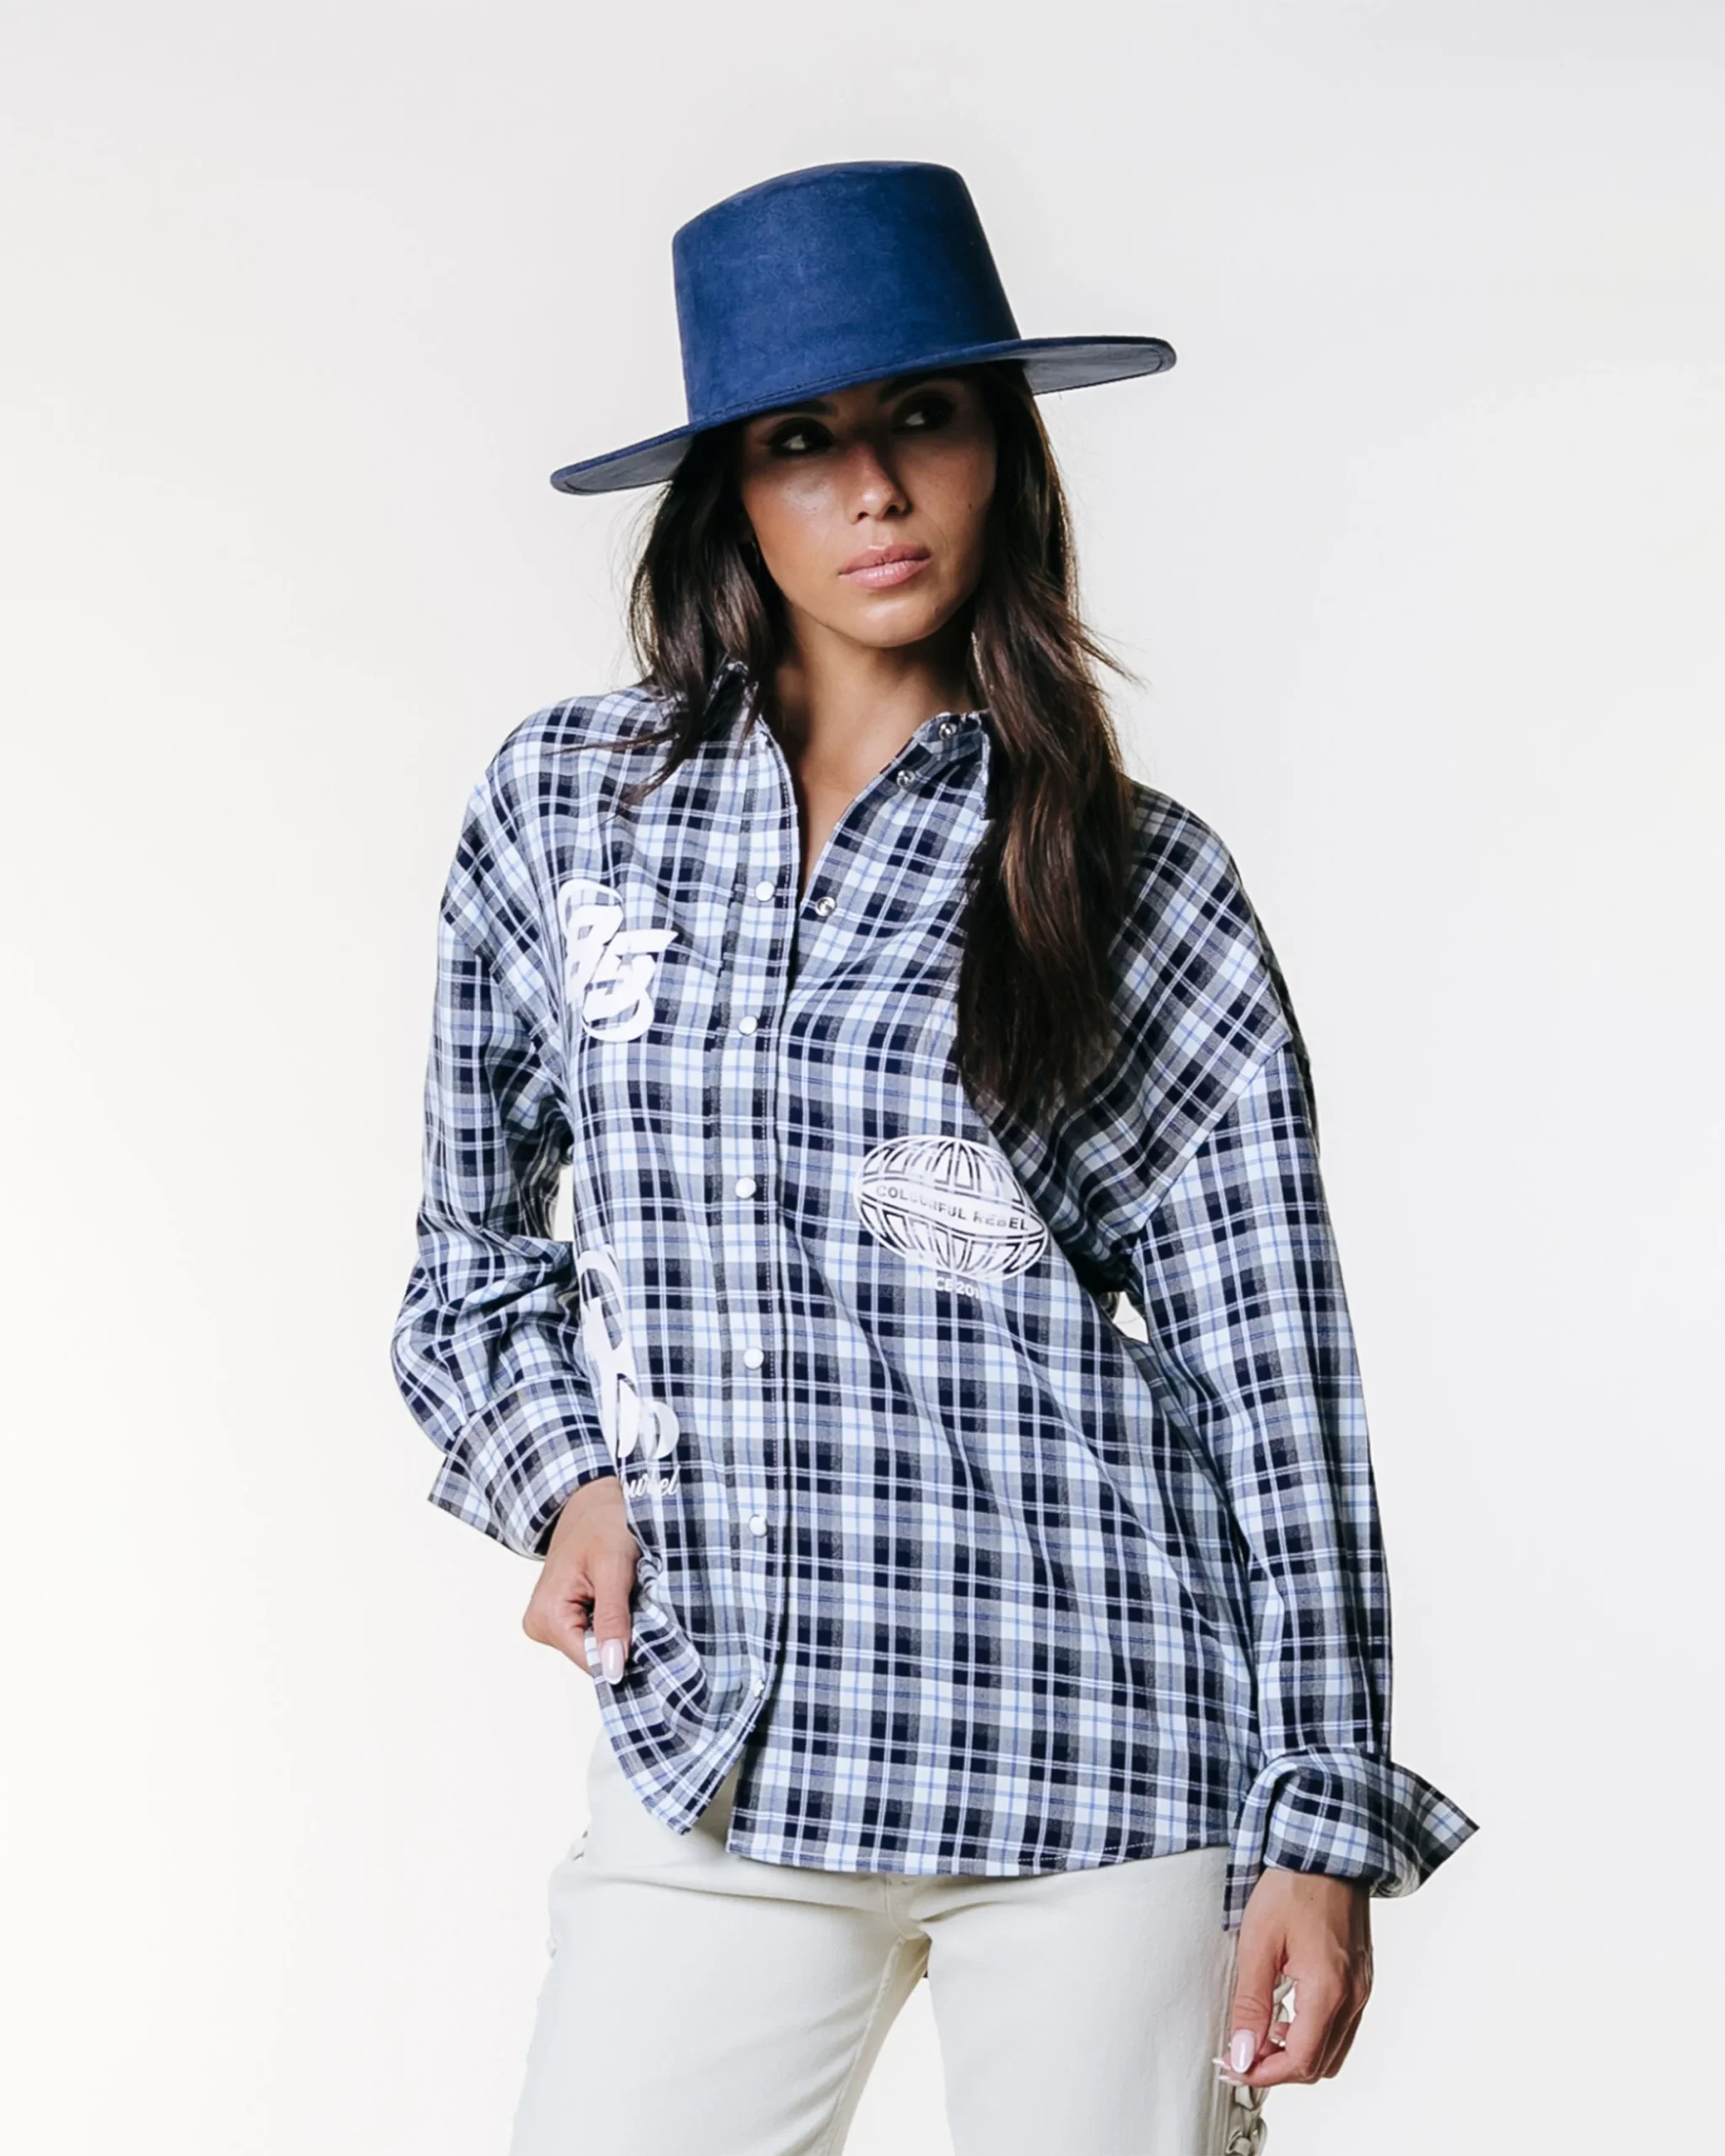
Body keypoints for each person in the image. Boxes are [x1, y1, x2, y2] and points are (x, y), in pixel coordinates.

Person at [389, 160, 1478, 2156]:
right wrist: (563, 1474)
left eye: (923, 418)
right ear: (727, 490)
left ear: (1002, 452)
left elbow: (1276, 1385)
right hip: (720, 1746)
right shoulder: (563, 809)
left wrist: (1318, 1822)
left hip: (1103, 1759)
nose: (875, 490)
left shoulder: (1135, 879)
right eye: (802, 442)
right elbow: (468, 1261)